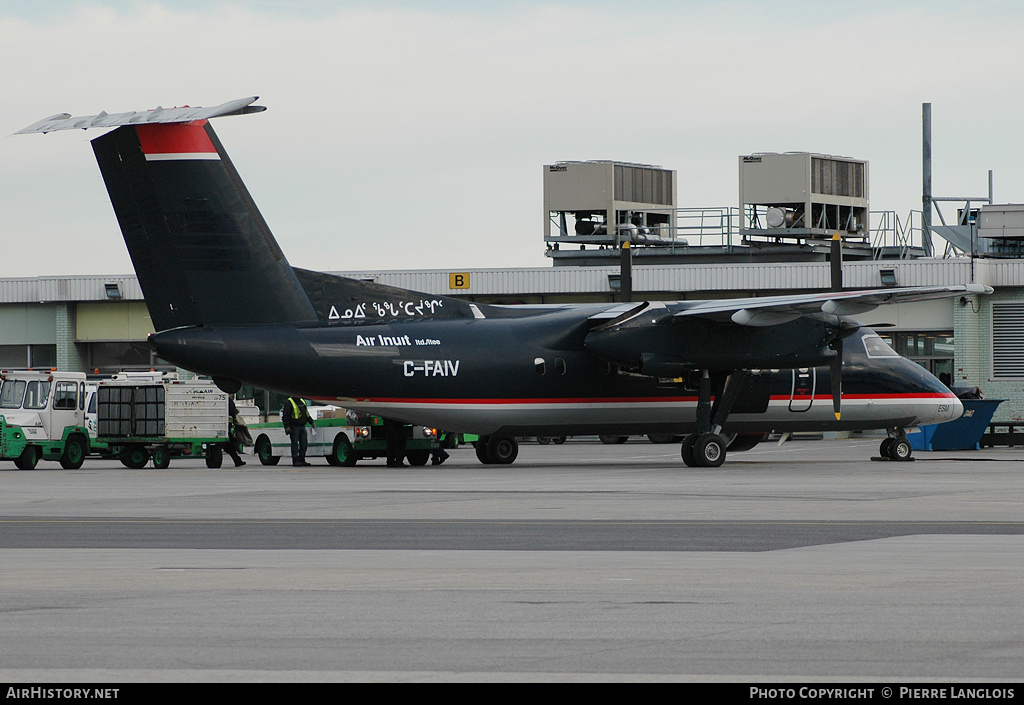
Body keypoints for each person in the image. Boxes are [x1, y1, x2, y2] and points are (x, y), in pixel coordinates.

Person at [281, 396, 315, 466]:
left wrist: (311, 422)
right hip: (294, 426)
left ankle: (302, 460)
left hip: (302, 426)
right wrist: (287, 426)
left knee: (304, 444)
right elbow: (286, 415)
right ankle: (295, 460)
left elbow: (306, 414)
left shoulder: (302, 401)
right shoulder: (289, 402)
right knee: (295, 444)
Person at [223, 397, 250, 467]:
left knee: (227, 444)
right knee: (227, 444)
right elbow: (233, 411)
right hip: (225, 425)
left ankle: (237, 460)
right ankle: (237, 460)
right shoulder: (227, 399)